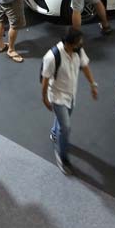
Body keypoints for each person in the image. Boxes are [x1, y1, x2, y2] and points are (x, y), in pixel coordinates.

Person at [40, 27, 98, 174]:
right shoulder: (52, 57)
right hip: (57, 96)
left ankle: (55, 133)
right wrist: (45, 99)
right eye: (78, 42)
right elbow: (45, 80)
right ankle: (63, 158)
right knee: (66, 127)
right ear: (68, 43)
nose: (81, 45)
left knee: (62, 123)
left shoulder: (78, 50)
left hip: (71, 95)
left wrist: (92, 84)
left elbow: (85, 66)